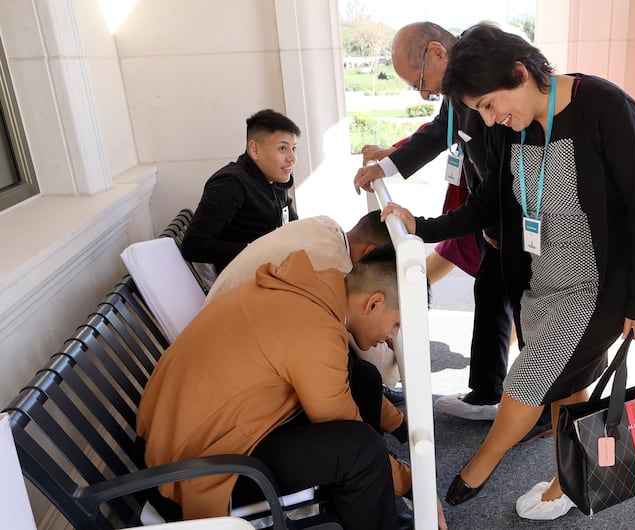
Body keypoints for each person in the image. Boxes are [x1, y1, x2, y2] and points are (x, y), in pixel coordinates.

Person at [381, 22, 635, 521]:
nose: (490, 120)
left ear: (519, 72)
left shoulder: (604, 108)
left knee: (528, 378)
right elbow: (489, 200)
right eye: (481, 111)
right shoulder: (517, 128)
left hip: (597, 288)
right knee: (569, 389)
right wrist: (421, 226)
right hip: (543, 285)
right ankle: (568, 479)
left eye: (490, 105)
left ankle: (481, 464)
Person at [137, 246, 447, 529]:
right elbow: (346, 429)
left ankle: (369, 500)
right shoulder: (314, 329)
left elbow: (346, 385)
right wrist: (414, 483)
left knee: (363, 376)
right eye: (396, 324)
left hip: (200, 440)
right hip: (193, 472)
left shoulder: (310, 292)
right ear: (374, 302)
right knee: (362, 452)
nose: (393, 337)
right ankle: (376, 506)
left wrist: (401, 425)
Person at [354, 22, 552, 440]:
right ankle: (486, 393)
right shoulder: (458, 92)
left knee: (528, 315)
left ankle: (544, 411)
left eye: (420, 83)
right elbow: (438, 134)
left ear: (437, 53)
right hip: (496, 220)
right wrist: (388, 165)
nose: (426, 95)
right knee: (490, 293)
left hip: (521, 222)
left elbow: (495, 193)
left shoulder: (491, 89)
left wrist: (422, 226)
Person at [205, 211, 403, 395]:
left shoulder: (326, 226)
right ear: (372, 254)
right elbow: (378, 363)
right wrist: (396, 340)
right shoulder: (335, 269)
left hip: (218, 332)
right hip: (226, 368)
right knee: (359, 374)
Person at [181, 109, 300, 274]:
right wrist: (257, 250)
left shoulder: (274, 179)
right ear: (255, 150)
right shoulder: (230, 184)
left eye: (294, 148)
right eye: (282, 149)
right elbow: (193, 245)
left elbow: (292, 225)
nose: (292, 158)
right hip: (247, 283)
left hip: (275, 272)